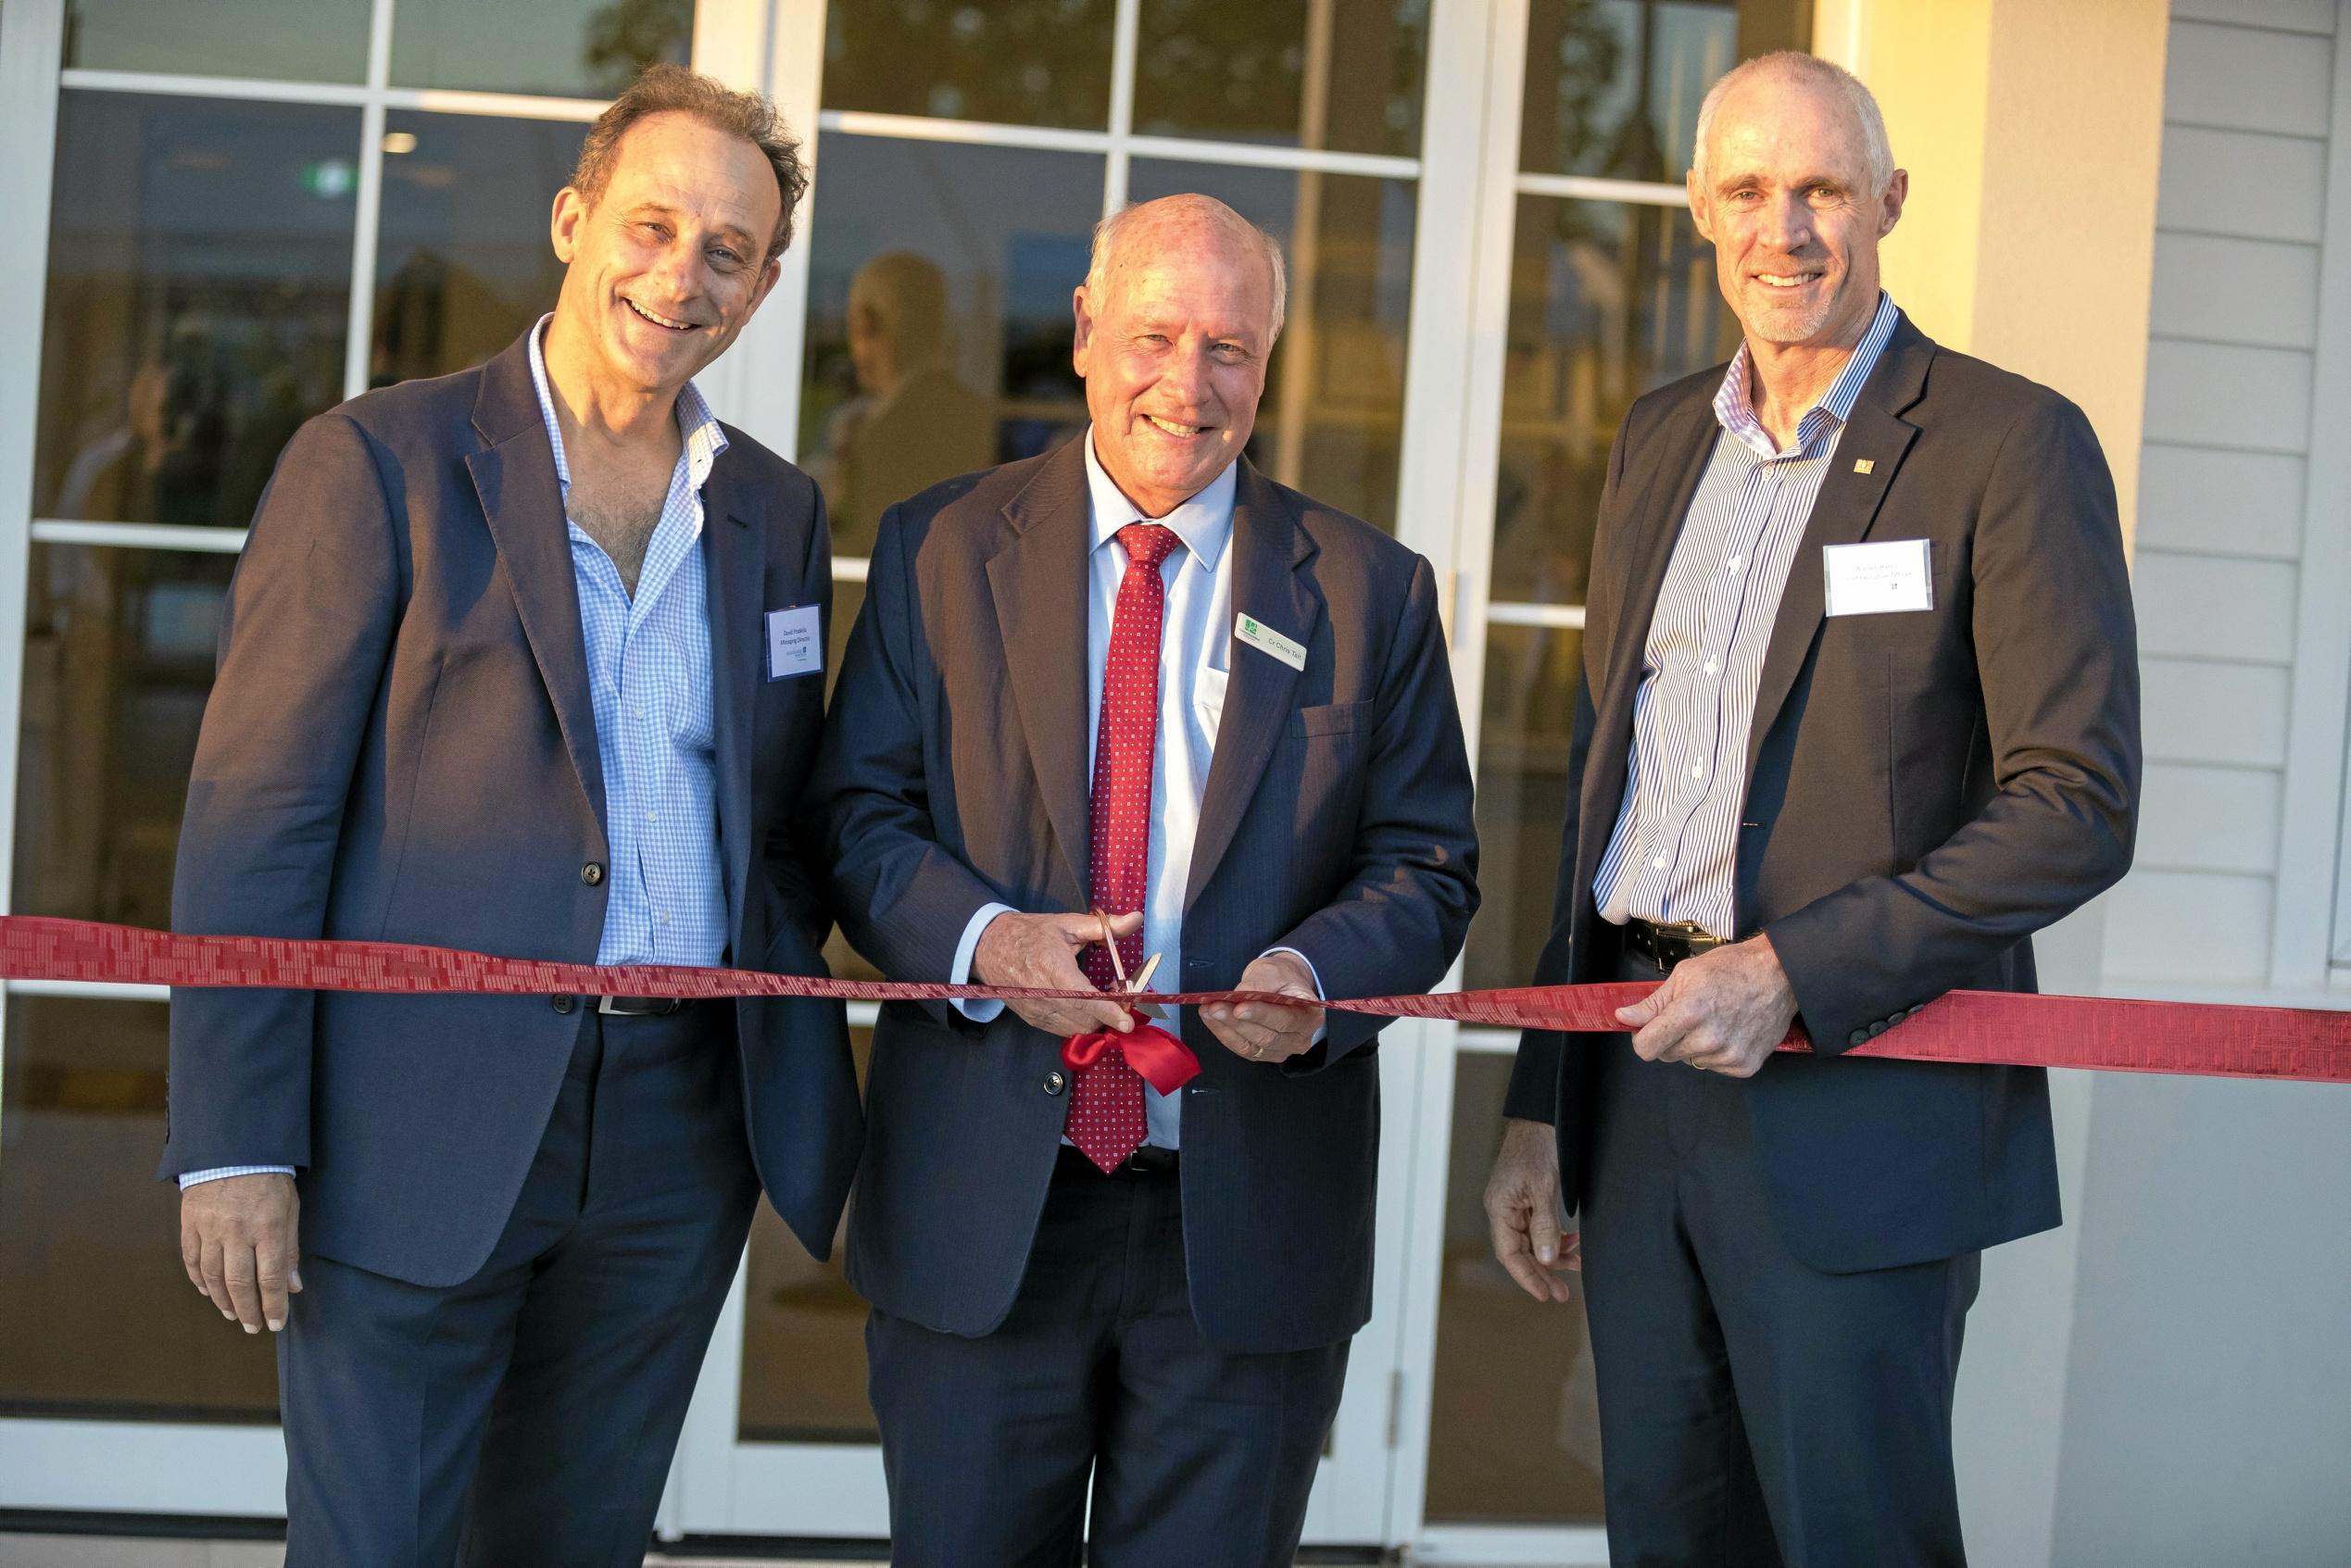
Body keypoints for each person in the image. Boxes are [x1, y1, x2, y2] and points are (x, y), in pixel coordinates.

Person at [163, 65, 861, 1567]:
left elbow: (781, 819)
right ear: (571, 219)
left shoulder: (777, 513)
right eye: (652, 223)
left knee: (574, 1540)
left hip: (680, 1126)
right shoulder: (378, 464)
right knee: (379, 1544)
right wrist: (234, 1139)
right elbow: (255, 820)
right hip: (415, 1114)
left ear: (763, 285)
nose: (680, 276)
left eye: (726, 250)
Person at [1483, 51, 2140, 1567]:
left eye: (1821, 191)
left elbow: (2075, 801)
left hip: (1857, 1099)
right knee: (1667, 1527)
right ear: (1697, 214)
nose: (1783, 230)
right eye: (1747, 192)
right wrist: (1541, 1098)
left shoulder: (2001, 441)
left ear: (1886, 204)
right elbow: (1612, 782)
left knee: (1851, 1536)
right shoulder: (1659, 442)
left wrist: (1789, 968)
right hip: (1639, 1083)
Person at [812, 193, 1478, 1565]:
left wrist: (1312, 975)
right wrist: (987, 941)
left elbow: (1426, 864)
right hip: (984, 1206)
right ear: (1081, 334)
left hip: (1242, 1222)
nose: (1188, 384)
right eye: (1155, 335)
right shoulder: (939, 551)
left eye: (1229, 347)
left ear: (1271, 358)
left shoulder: (1371, 591)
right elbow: (856, 818)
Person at [811, 249, 996, 557]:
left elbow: (864, 541)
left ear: (866, 325)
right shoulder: (978, 414)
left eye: (854, 327)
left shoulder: (879, 430)